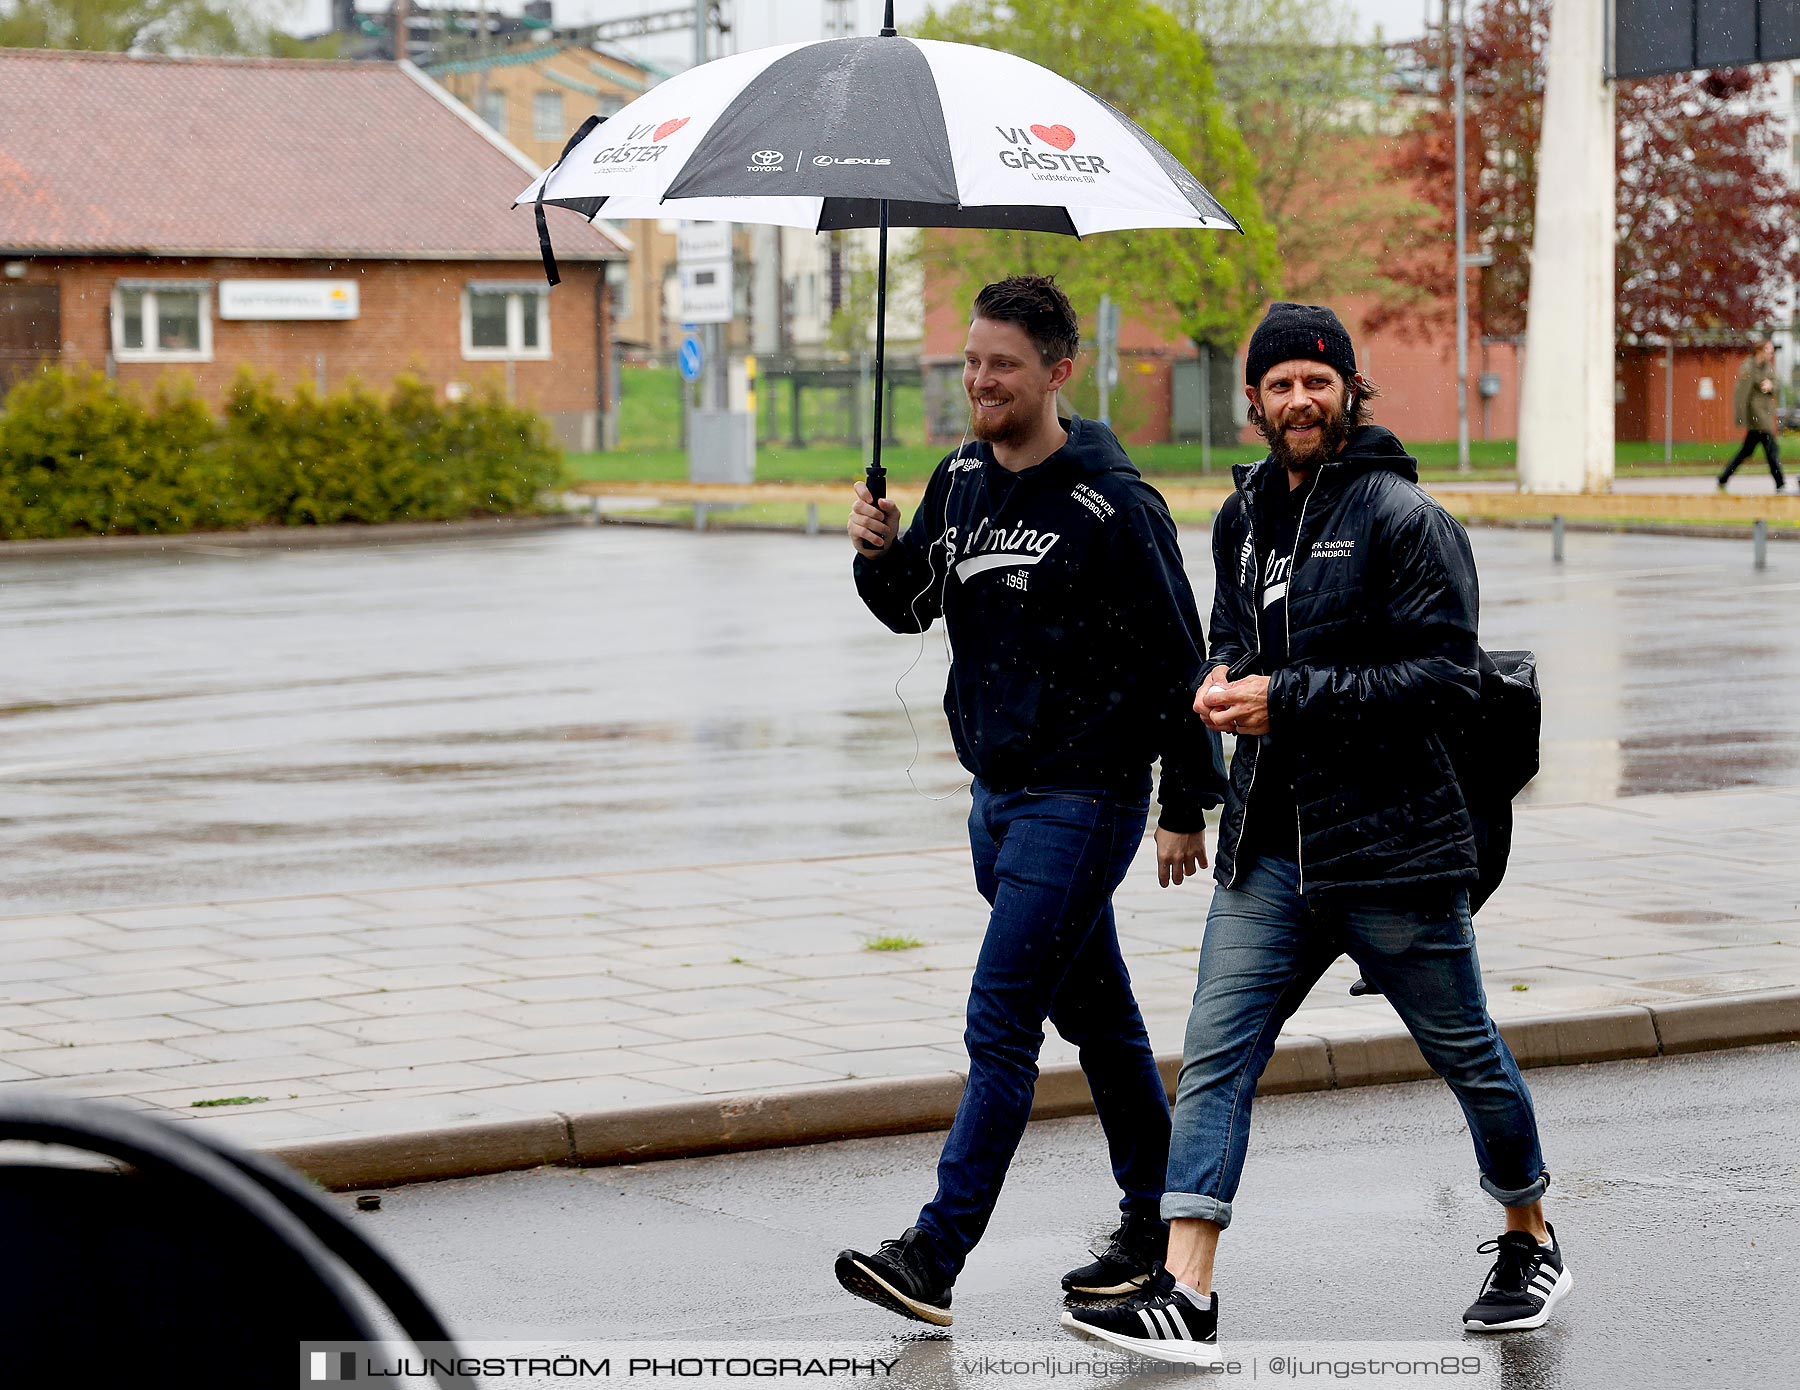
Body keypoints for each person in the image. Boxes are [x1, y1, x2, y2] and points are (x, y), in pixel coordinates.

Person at [1063, 303, 1569, 1362]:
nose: (1300, 399)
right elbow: (1234, 633)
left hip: (1395, 848)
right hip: (1270, 854)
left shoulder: (1403, 517)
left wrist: (1285, 698)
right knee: (1214, 1056)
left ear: (1349, 393)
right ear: (1253, 400)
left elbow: (1444, 678)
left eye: (1318, 381)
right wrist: (1220, 679)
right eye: (1281, 382)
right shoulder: (1242, 515)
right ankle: (1186, 1289)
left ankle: (1529, 1233)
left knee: (1467, 1053)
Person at [836, 274, 1226, 1326]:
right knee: (1098, 1018)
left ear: (1059, 370)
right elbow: (913, 604)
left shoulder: (1113, 502)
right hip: (996, 802)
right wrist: (877, 554)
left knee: (1000, 1020)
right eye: (971, 362)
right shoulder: (960, 478)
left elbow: (1176, 661)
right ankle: (1154, 1218)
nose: (980, 381)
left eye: (1002, 364)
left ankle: (935, 1252)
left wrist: (1186, 800)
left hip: (1085, 797)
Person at [1718, 340, 1784, 494]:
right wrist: (1740, 417)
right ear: (1760, 350)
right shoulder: (1748, 368)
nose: (1771, 354)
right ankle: (1780, 483)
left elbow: (1777, 384)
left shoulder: (1768, 367)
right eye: (1768, 350)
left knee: (1747, 451)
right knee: (1771, 449)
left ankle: (1723, 478)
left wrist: (1771, 386)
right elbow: (1741, 394)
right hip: (1757, 416)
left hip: (1765, 414)